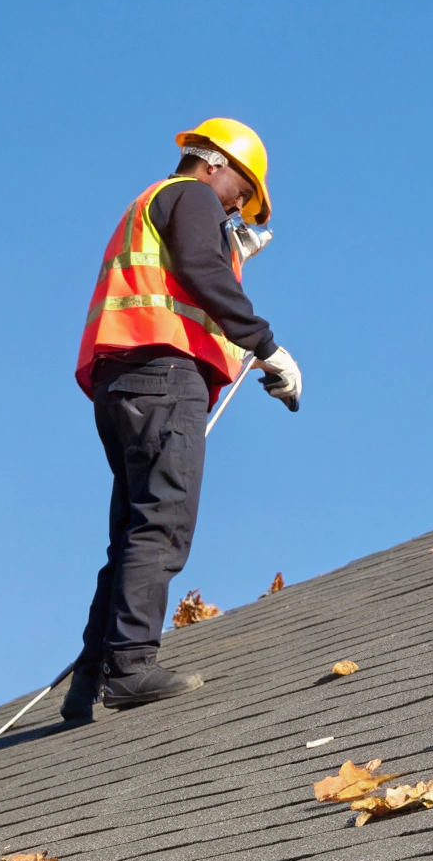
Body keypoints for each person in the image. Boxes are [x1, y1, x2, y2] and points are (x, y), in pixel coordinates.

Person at [61, 118, 301, 720]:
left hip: (123, 384)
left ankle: (91, 676)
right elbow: (200, 269)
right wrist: (266, 345)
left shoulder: (153, 202)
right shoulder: (191, 196)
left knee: (134, 531)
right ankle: (133, 667)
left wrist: (228, 248)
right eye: (241, 193)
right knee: (163, 523)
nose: (239, 207)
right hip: (164, 378)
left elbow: (187, 268)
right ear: (216, 164)